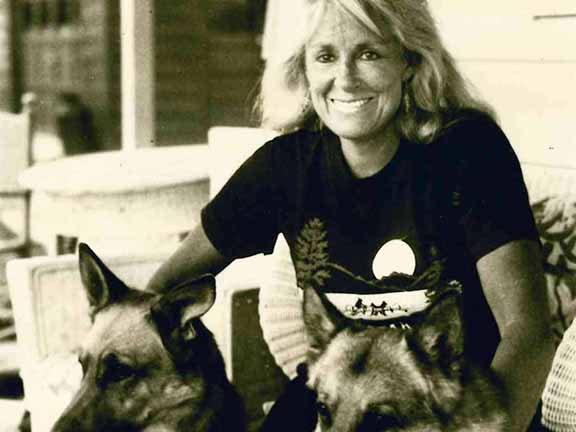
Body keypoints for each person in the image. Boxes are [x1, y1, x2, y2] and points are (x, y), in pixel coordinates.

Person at [147, 0, 555, 430]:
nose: (344, 78)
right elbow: (160, 294)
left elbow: (527, 332)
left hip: (457, 411)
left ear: (410, 63)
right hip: (331, 399)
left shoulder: (468, 152)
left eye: (369, 53)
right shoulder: (285, 168)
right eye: (325, 56)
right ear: (304, 70)